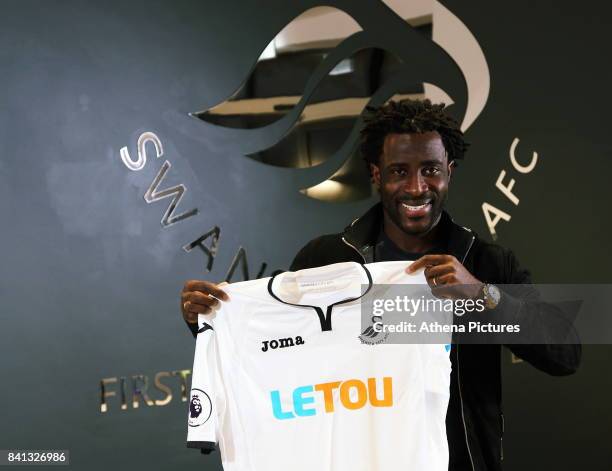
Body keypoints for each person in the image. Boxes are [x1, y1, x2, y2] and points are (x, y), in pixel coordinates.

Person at [180, 99, 581, 471]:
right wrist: (212, 322)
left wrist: (482, 295)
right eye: (399, 172)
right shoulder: (325, 260)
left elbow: (564, 352)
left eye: (430, 170)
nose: (416, 188)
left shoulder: (485, 262)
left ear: (449, 172)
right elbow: (283, 358)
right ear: (376, 175)